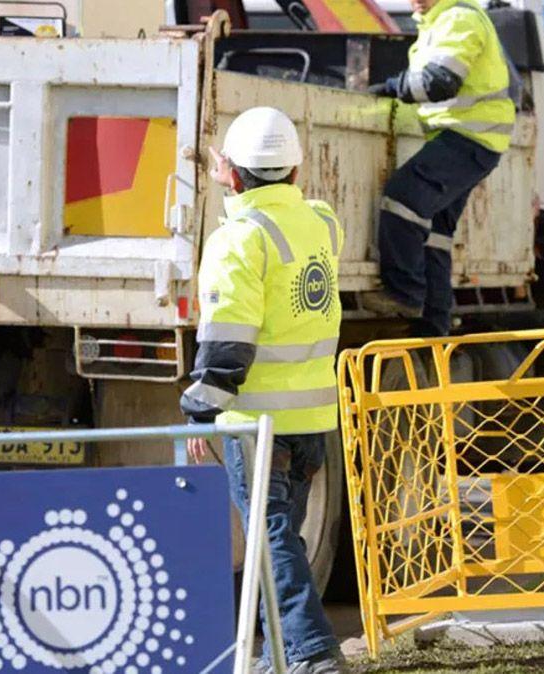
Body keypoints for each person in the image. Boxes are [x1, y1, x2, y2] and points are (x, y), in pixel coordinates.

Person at [180, 106, 345, 674]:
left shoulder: (237, 242)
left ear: (231, 175)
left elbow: (228, 346)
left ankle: (311, 652)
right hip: (313, 418)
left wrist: (200, 412)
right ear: (297, 172)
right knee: (284, 537)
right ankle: (283, 654)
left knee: (271, 539)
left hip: (256, 424)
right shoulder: (322, 223)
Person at [361, 0, 516, 336]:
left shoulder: (459, 19)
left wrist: (391, 88)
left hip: (468, 137)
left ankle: (404, 295)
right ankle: (433, 328)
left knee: (401, 201)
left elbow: (440, 83)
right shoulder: (438, 23)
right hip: (470, 140)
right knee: (436, 237)